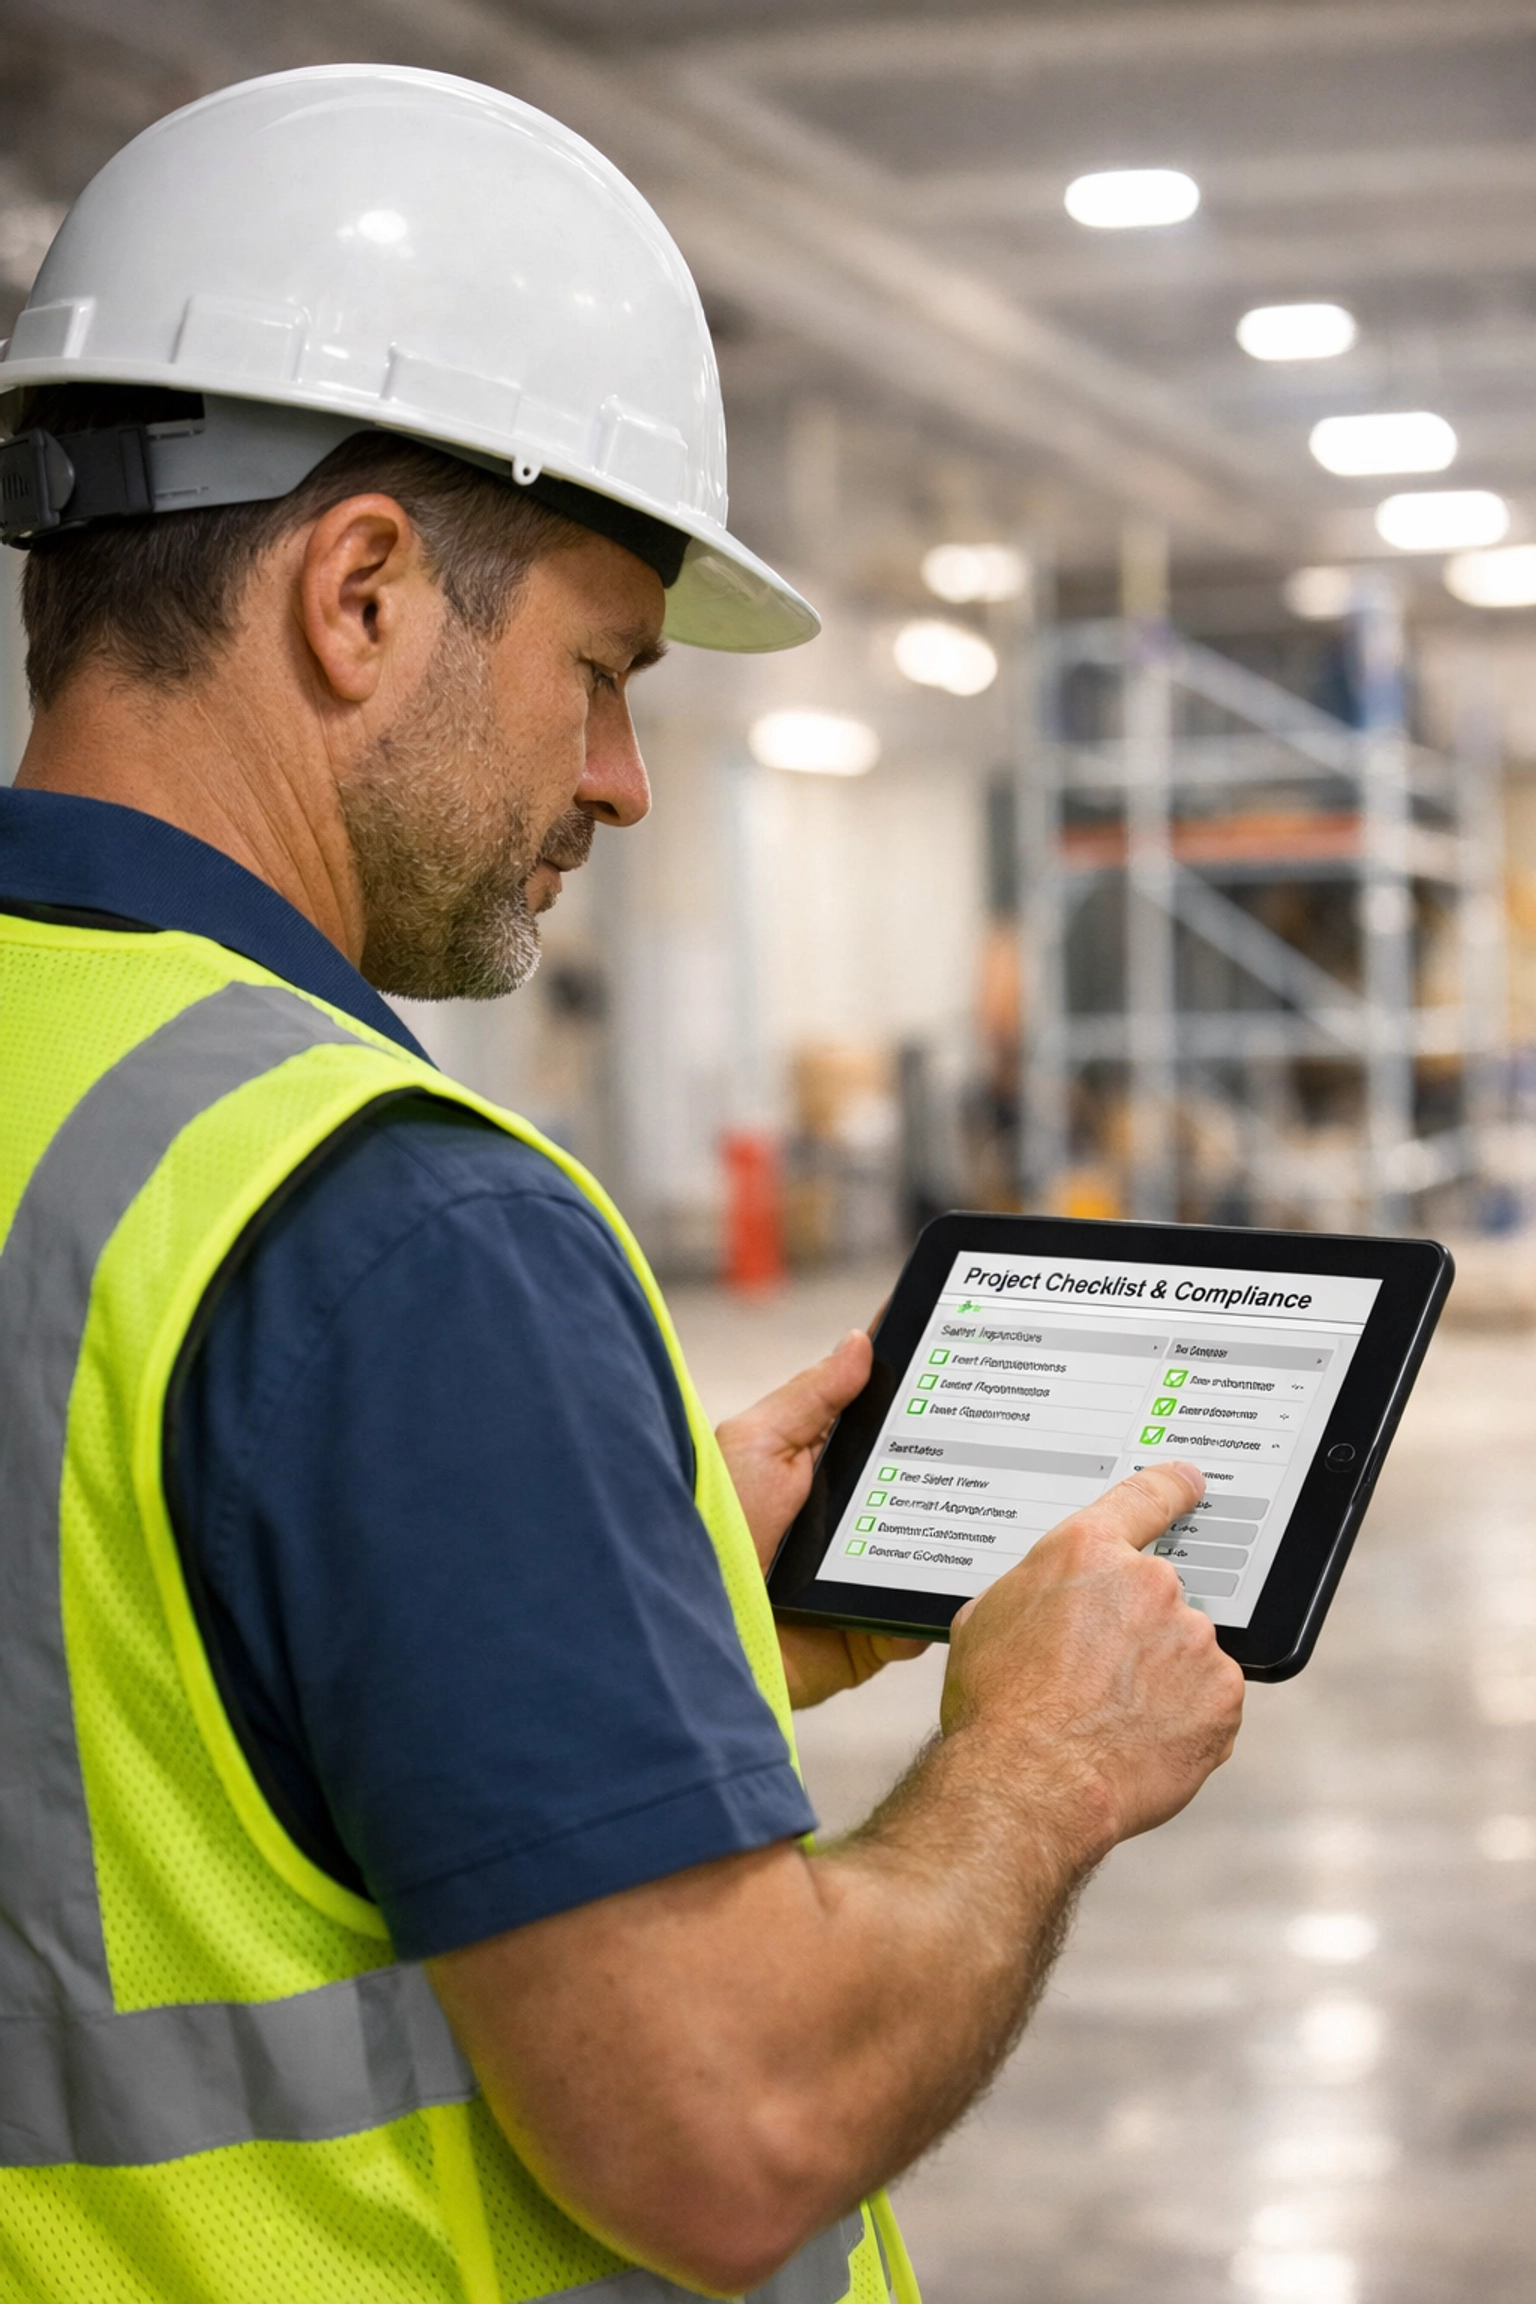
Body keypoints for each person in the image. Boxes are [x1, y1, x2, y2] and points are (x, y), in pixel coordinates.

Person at [0, 64, 1245, 2304]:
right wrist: (1040, 1760)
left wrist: (618, 1596)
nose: (625, 782)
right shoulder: (394, 1227)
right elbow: (725, 2126)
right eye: (600, 673)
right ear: (361, 594)